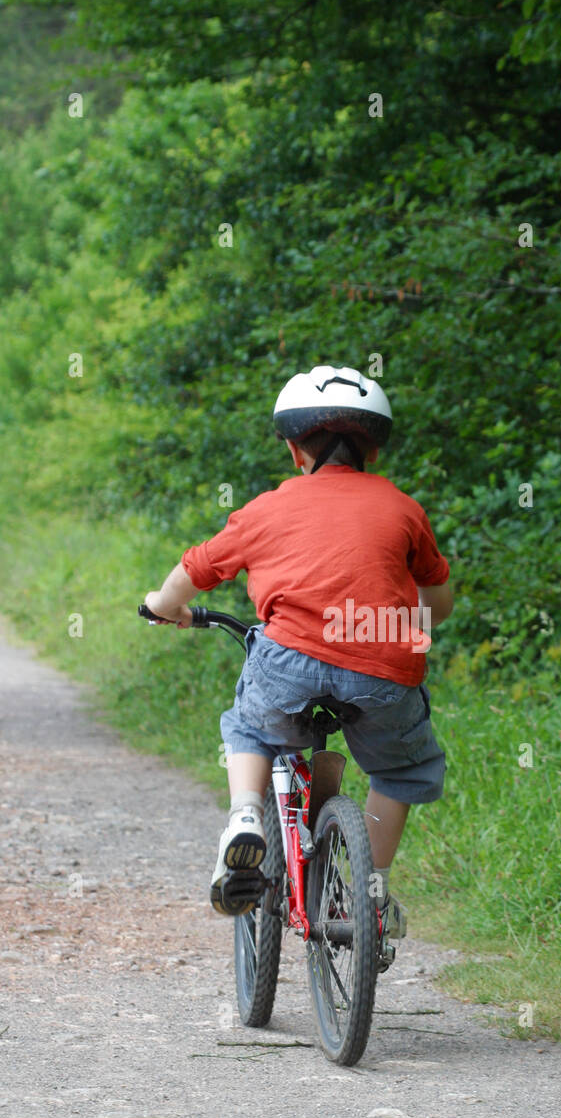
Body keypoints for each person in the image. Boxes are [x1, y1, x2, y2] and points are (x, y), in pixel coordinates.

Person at [144, 364, 452, 929]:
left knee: (249, 728)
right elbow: (438, 599)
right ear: (374, 452)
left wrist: (164, 607)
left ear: (293, 451)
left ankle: (244, 820)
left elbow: (196, 568)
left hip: (291, 659)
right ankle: (369, 896)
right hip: (383, 662)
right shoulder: (404, 509)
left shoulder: (267, 508)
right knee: (404, 770)